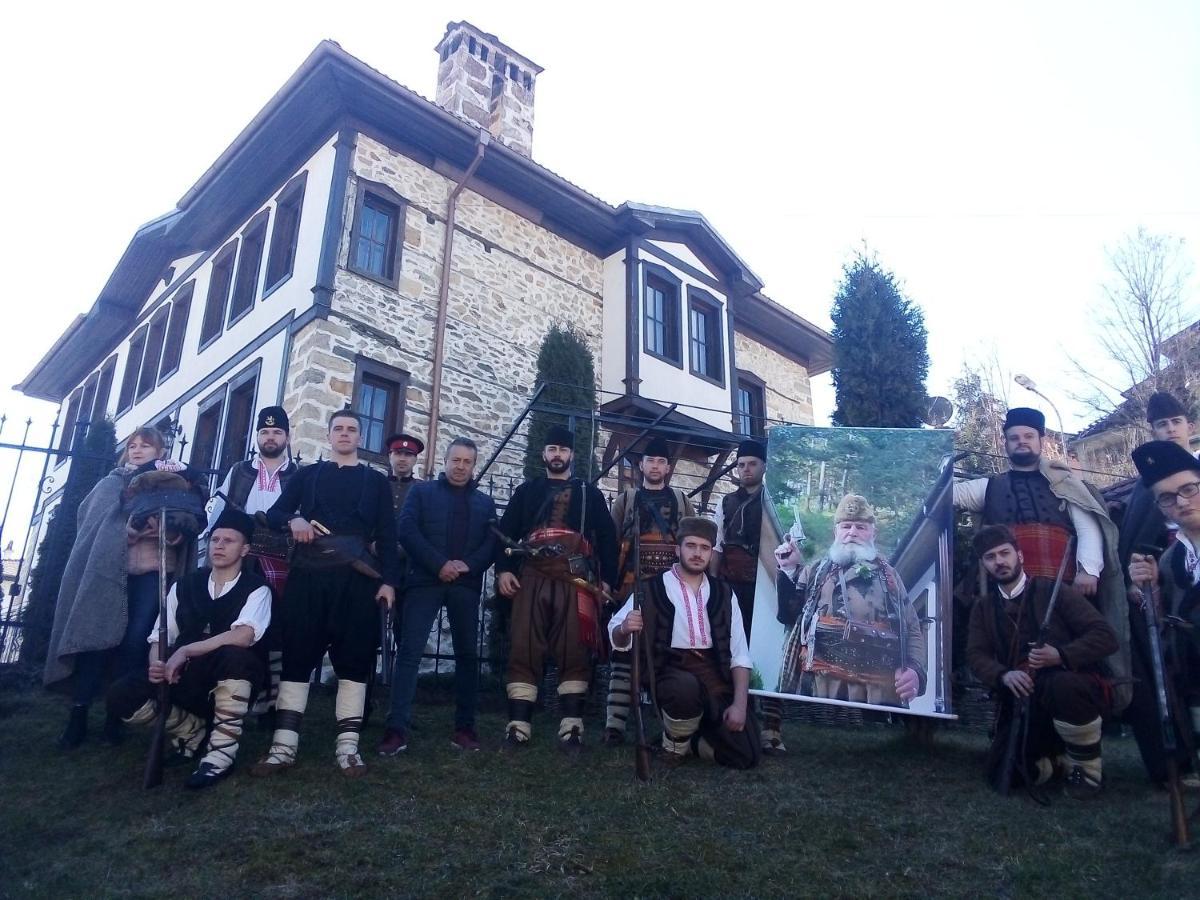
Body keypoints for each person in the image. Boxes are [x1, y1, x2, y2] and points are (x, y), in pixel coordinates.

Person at [251, 409, 400, 778]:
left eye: (352, 429)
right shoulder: (307, 475)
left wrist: (389, 582)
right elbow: (274, 513)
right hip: (309, 578)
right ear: (329, 435)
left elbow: (389, 536)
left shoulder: (376, 482)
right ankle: (283, 747)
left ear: (360, 437)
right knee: (298, 657)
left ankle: (348, 748)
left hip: (357, 581)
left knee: (353, 660)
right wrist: (294, 519)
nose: (345, 434)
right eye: (339, 429)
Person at [45, 427, 205, 749]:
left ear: (160, 451)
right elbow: (94, 525)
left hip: (153, 572)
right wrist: (131, 529)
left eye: (145, 445)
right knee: (97, 640)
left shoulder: (176, 481)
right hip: (109, 573)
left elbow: (187, 524)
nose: (137, 450)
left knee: (135, 643)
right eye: (132, 445)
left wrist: (170, 531)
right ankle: (78, 715)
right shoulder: (112, 483)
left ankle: (115, 716)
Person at [105, 509, 271, 789]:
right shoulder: (185, 585)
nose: (219, 545)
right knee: (120, 694)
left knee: (236, 657)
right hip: (180, 677)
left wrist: (187, 651)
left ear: (245, 549)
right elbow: (161, 633)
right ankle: (191, 729)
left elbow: (243, 635)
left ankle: (220, 756)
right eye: (216, 539)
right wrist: (158, 663)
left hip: (227, 681)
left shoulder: (257, 588)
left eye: (229, 541)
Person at [966, 525, 1119, 798]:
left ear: (1020, 556)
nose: (999, 561)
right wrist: (1004, 676)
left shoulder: (1055, 591)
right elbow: (977, 655)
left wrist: (1061, 655)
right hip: (1024, 701)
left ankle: (1088, 771)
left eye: (1005, 553)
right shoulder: (984, 608)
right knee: (1002, 773)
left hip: (1072, 696)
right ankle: (1059, 764)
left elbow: (1105, 636)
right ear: (985, 565)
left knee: (1061, 683)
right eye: (991, 557)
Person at [495, 424, 618, 750]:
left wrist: (607, 581)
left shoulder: (589, 494)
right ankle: (518, 726)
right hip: (532, 574)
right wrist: (504, 571)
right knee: (524, 644)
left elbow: (607, 538)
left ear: (571, 455)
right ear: (544, 454)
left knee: (573, 647)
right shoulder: (526, 492)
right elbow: (505, 534)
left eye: (563, 450)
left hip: (575, 577)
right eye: (552, 450)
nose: (557, 455)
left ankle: (571, 727)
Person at [609, 516, 759, 769]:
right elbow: (615, 634)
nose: (697, 553)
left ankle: (691, 741)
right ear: (678, 549)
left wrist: (739, 704)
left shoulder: (724, 592)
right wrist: (625, 628)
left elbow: (739, 653)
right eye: (691, 546)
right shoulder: (650, 588)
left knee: (747, 754)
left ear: (712, 553)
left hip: (713, 673)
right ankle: (674, 746)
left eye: (704, 548)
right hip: (667, 668)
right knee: (684, 687)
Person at [377, 437, 496, 754]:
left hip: (465, 585)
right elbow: (407, 530)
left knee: (468, 657)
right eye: (455, 460)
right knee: (410, 653)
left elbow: (491, 545)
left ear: (474, 465)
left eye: (467, 462)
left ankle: (465, 728)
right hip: (424, 581)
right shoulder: (422, 492)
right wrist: (438, 563)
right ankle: (396, 729)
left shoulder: (485, 503)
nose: (460, 467)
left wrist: (467, 566)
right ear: (445, 461)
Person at [775, 494, 925, 707]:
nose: (852, 532)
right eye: (846, 526)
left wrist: (915, 670)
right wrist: (788, 569)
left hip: (877, 692)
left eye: (861, 527)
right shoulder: (815, 572)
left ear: (874, 533)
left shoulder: (890, 577)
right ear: (836, 532)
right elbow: (789, 616)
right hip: (821, 687)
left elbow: (912, 629)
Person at [602, 434, 693, 745]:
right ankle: (614, 725)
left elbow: (691, 542)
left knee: (669, 651)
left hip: (671, 588)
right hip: (631, 585)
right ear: (641, 465)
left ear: (668, 468)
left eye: (660, 461)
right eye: (650, 460)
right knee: (623, 651)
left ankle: (670, 721)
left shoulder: (681, 501)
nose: (655, 466)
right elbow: (611, 544)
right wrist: (609, 583)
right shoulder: (625, 500)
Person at [209, 405, 299, 716]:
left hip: (283, 560)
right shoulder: (240, 472)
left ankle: (273, 699)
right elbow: (219, 514)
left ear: (286, 437)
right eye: (265, 432)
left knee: (278, 629)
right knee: (239, 623)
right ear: (257, 436)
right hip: (243, 558)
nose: (270, 437)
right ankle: (240, 688)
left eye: (276, 432)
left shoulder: (298, 476)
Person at [1126, 439, 1200, 786]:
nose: (1182, 503)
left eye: (1189, 489)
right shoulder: (1171, 561)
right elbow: (1164, 626)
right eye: (1168, 498)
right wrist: (1151, 589)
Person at [382, 432, 425, 673]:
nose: (403, 459)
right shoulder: (378, 486)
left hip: (409, 570)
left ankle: (400, 682)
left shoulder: (423, 491)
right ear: (390, 456)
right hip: (376, 565)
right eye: (399, 453)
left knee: (405, 632)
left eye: (408, 455)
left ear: (415, 460)